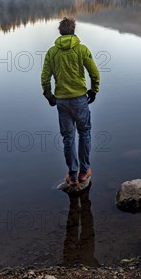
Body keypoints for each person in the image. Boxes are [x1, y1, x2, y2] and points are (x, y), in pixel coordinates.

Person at [41, 17, 100, 186]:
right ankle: (84, 172)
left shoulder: (52, 52)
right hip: (80, 99)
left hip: (62, 101)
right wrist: (94, 90)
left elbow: (45, 78)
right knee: (84, 133)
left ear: (60, 32)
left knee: (68, 137)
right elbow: (94, 73)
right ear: (73, 31)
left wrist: (49, 96)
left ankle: (72, 175)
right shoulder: (82, 49)